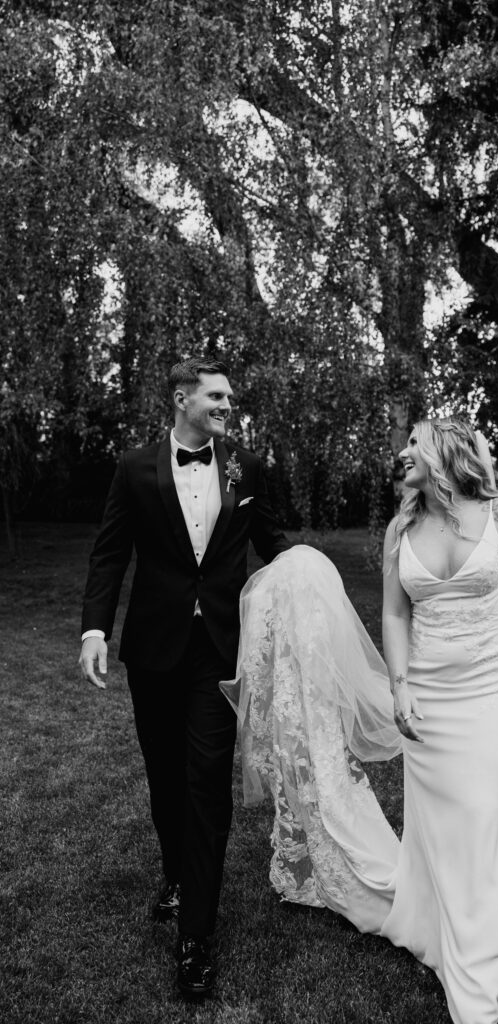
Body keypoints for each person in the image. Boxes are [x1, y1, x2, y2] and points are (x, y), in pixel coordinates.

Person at [223, 417, 498, 1024]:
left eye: (413, 444)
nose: (402, 454)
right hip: (428, 698)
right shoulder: (401, 528)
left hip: (493, 689)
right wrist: (399, 687)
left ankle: (475, 962)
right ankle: (435, 926)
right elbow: (394, 616)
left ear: (445, 451)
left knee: (480, 815)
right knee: (436, 824)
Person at [79, 356, 289, 999]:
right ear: (182, 399)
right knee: (166, 776)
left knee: (206, 783)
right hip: (154, 647)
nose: (228, 405)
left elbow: (273, 542)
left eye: (229, 397)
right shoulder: (135, 467)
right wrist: (95, 629)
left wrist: (307, 577)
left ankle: (196, 935)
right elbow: (112, 550)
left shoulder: (248, 468)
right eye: (217, 396)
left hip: (221, 650)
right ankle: (175, 873)